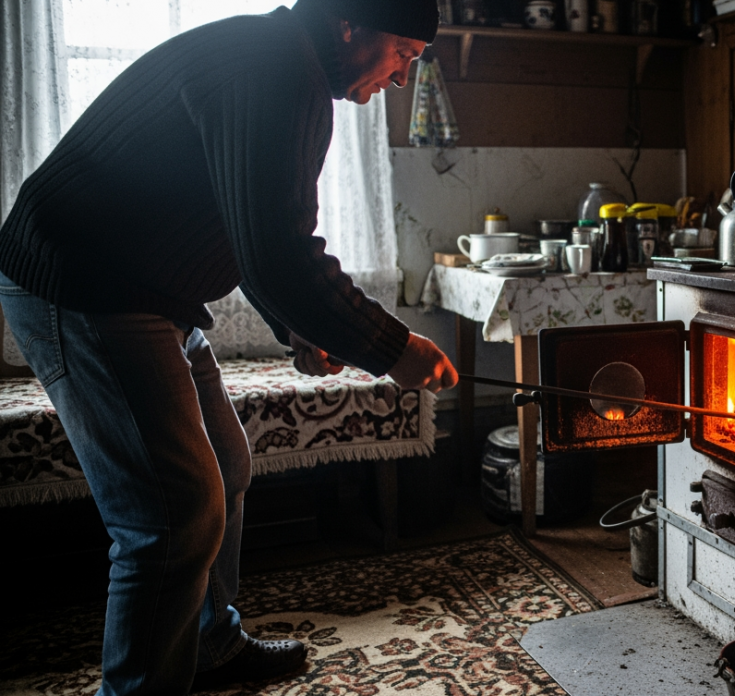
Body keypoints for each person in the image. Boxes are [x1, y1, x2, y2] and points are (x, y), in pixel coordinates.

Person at [0, 0, 456, 693]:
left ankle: (210, 644)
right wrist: (396, 349)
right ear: (348, 26)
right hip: (84, 286)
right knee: (172, 515)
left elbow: (247, 225)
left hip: (148, 291)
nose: (401, 79)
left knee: (225, 466)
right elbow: (278, 253)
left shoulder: (284, 62)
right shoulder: (273, 70)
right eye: (404, 55)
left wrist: (296, 325)